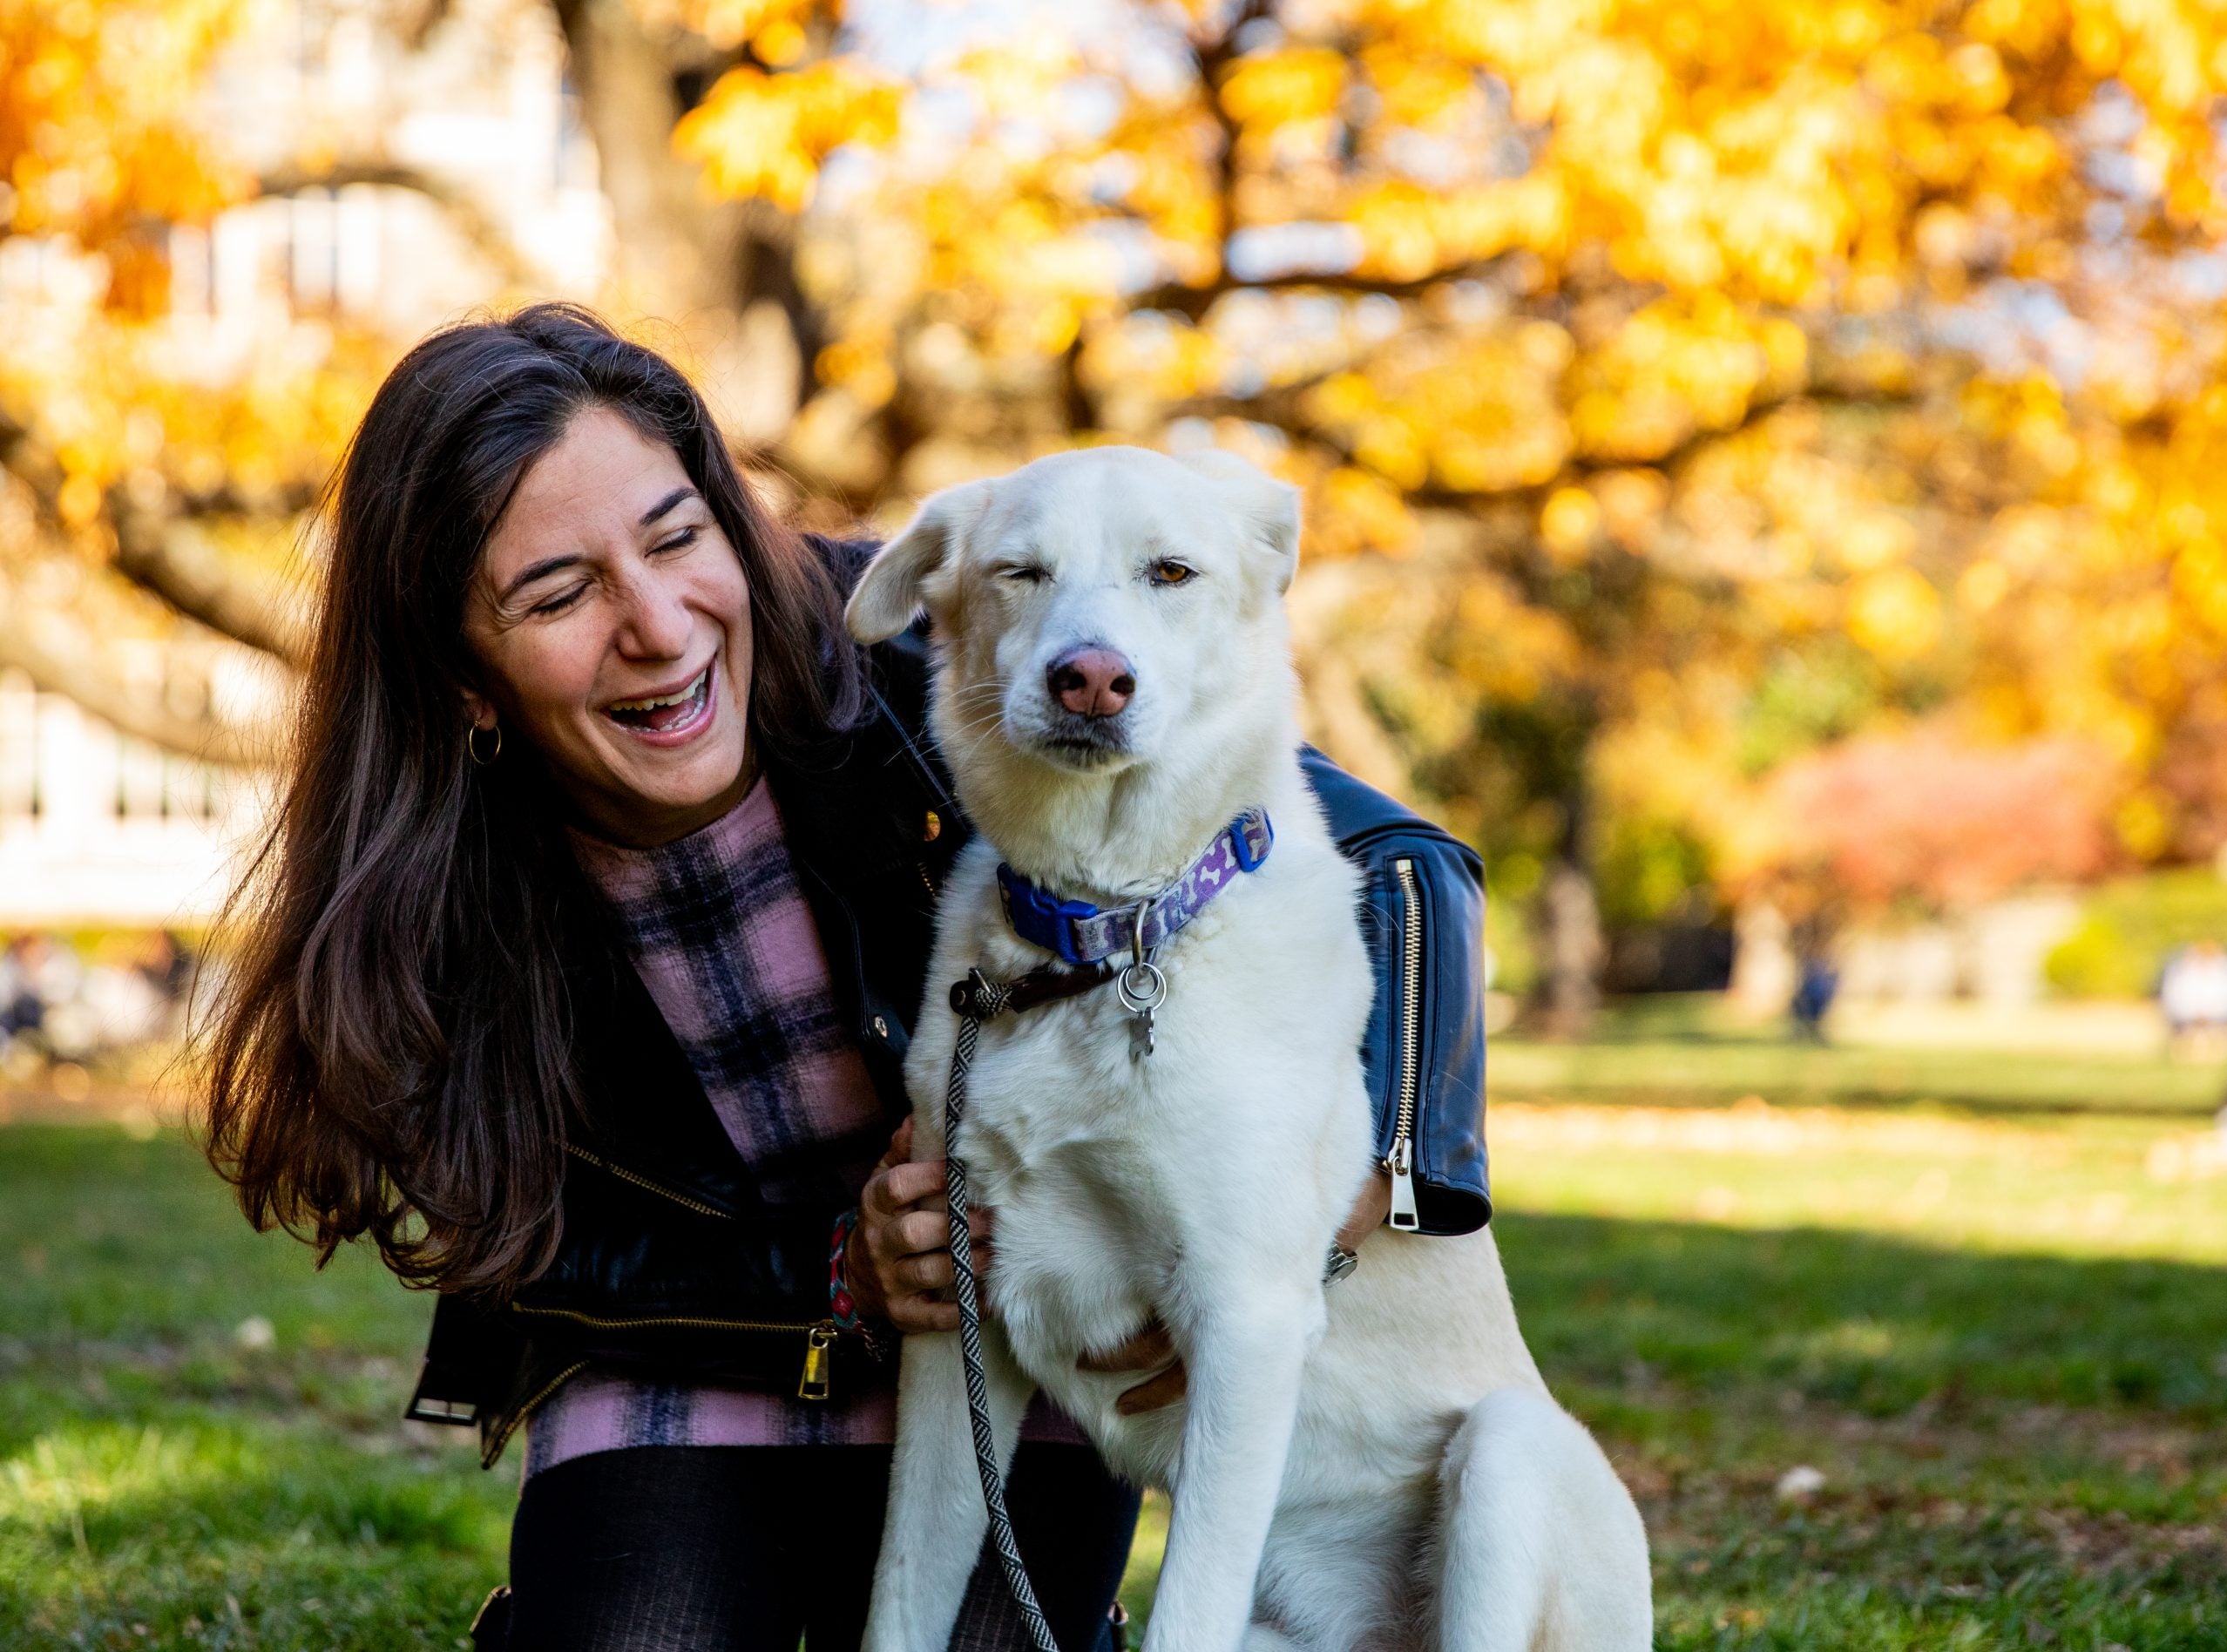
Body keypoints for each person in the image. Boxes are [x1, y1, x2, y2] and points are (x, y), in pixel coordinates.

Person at [198, 304, 1493, 1652]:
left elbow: (1409, 870)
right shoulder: (434, 894)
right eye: (560, 593)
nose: (657, 625)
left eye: (674, 537)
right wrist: (835, 1271)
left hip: (1004, 1347)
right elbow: (536, 1257)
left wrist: (1367, 1183)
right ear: (462, 677)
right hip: (689, 1366)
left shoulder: (949, 648)